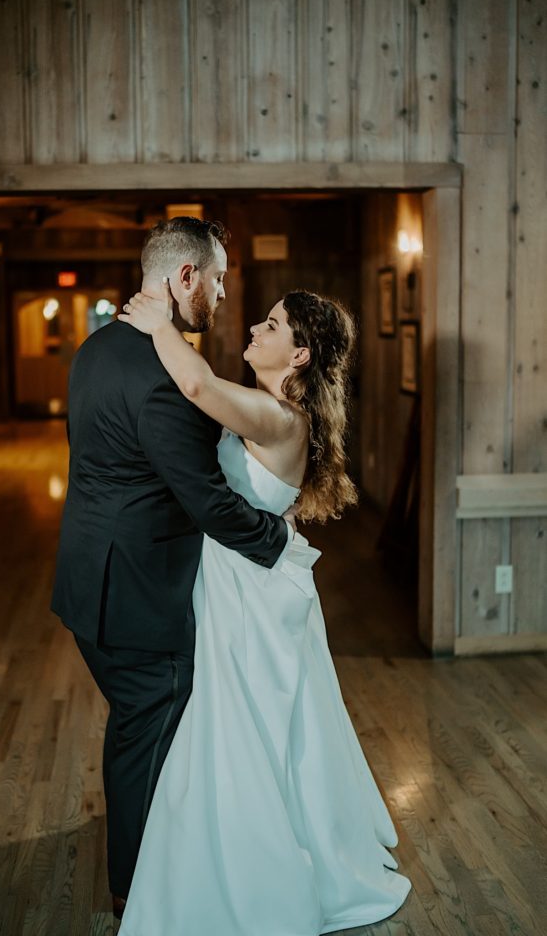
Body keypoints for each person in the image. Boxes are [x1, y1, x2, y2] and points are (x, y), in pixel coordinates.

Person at [116, 285, 412, 935]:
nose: (254, 326)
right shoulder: (269, 407)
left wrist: (157, 323)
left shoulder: (274, 415)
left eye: (271, 324)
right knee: (268, 726)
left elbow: (196, 388)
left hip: (250, 593)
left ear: (299, 354)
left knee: (246, 725)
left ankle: (255, 865)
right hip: (245, 578)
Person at [50, 218, 296, 921]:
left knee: (137, 722)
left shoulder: (96, 350)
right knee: (148, 726)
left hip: (90, 575)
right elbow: (207, 500)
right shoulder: (164, 378)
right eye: (216, 280)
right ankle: (140, 890)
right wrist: (276, 542)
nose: (221, 297)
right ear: (184, 277)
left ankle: (155, 860)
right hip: (132, 594)